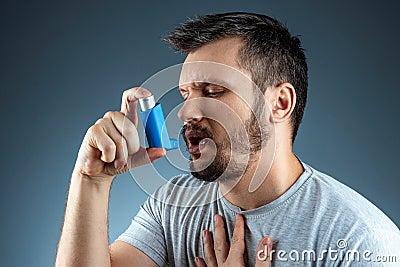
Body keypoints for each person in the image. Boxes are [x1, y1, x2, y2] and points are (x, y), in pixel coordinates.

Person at [55, 12, 400, 266]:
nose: (186, 112)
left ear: (279, 104)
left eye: (213, 91)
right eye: (186, 93)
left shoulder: (361, 242)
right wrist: (93, 180)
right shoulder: (172, 207)